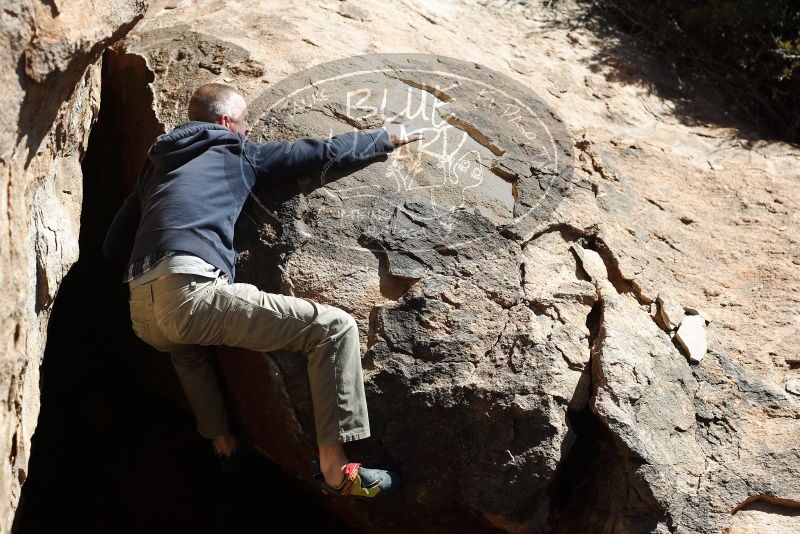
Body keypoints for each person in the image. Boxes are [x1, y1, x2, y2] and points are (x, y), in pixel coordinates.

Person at [102, 82, 422, 499]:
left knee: (185, 348)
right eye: (244, 122)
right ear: (225, 122)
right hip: (189, 291)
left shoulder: (153, 165)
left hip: (142, 314)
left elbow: (112, 246)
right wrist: (384, 137)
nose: (248, 130)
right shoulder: (236, 151)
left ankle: (221, 442)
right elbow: (319, 153)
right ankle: (334, 468)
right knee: (334, 328)